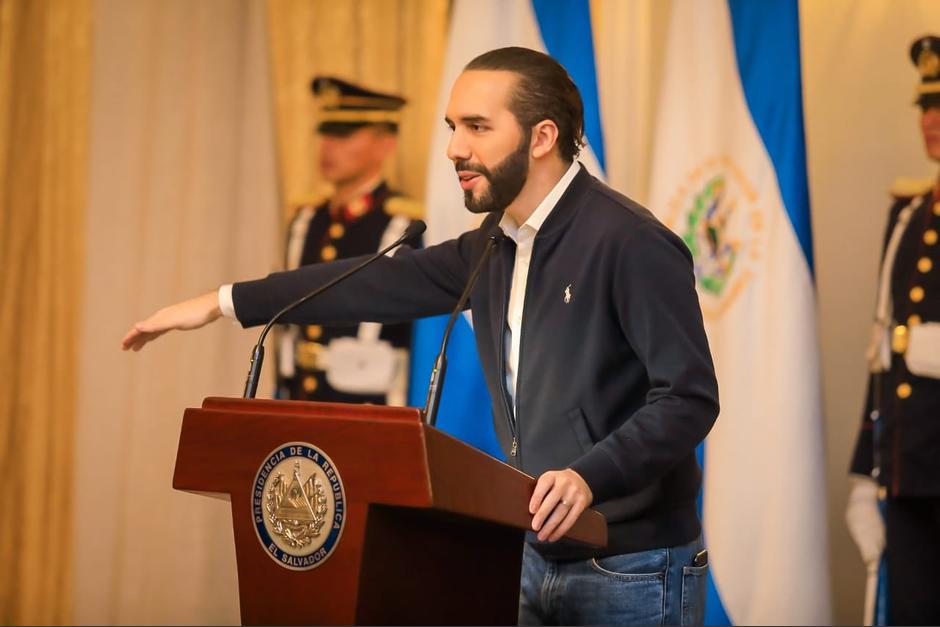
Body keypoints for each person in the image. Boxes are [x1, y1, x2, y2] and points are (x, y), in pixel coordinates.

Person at [123, 46, 719, 626]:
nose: (455, 149)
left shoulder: (631, 242)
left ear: (541, 138)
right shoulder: (491, 245)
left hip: (633, 566)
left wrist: (591, 475)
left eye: (478, 127)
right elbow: (361, 285)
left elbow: (688, 397)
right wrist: (219, 303)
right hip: (528, 553)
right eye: (452, 127)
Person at [846, 34, 940, 626]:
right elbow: (883, 352)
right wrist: (867, 467)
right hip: (909, 471)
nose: (930, 120)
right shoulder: (907, 215)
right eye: (926, 107)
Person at [276, 76, 422, 404]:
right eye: (325, 133)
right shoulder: (306, 220)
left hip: (369, 405)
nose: (328, 146)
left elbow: (417, 336)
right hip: (301, 397)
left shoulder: (401, 225)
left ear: (385, 145)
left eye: (343, 136)